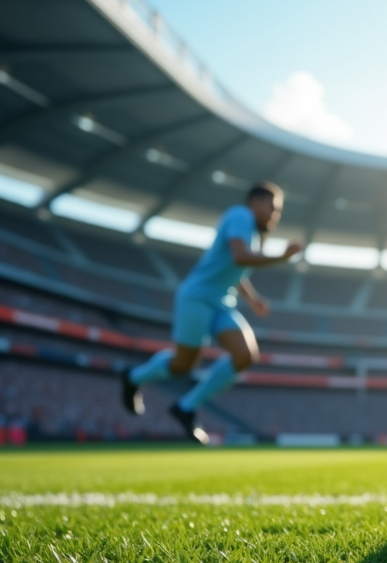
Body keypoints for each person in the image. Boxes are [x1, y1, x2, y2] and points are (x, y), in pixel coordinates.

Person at [121, 181, 302, 444]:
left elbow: (235, 270)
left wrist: (252, 299)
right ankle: (133, 376)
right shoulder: (240, 216)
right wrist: (282, 257)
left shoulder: (250, 230)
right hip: (197, 297)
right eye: (273, 209)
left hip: (221, 302)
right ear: (256, 202)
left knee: (245, 354)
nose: (275, 216)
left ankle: (186, 407)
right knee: (184, 364)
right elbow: (240, 257)